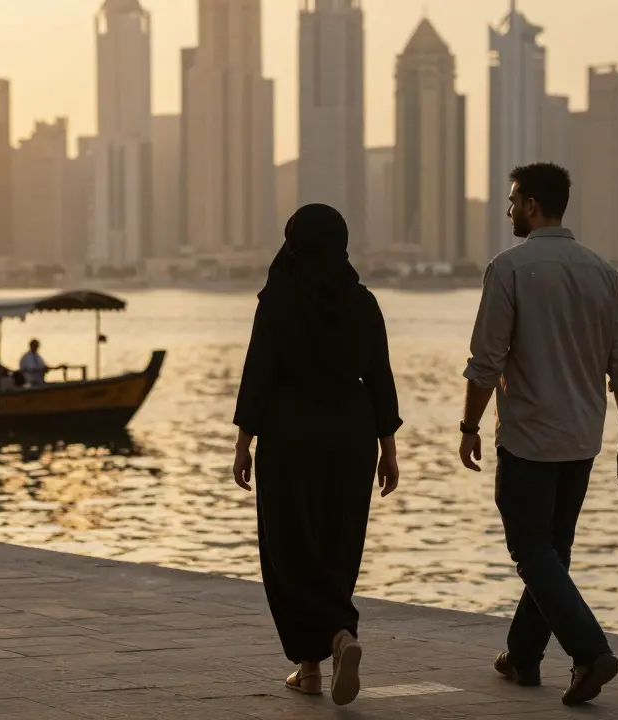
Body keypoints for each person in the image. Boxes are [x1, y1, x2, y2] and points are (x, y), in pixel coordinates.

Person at [459, 163, 618, 707]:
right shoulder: (602, 273)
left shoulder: (509, 269)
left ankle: (589, 651)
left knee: (531, 550)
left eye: (514, 199)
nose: (510, 208)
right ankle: (522, 657)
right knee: (552, 552)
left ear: (534, 205)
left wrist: (469, 425)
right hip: (583, 439)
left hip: (528, 439)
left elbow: (485, 363)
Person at [232, 203, 402, 706]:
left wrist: (244, 442)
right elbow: (380, 379)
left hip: (290, 433)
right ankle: (311, 671)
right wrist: (388, 449)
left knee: (289, 549)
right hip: (352, 434)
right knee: (337, 541)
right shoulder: (363, 303)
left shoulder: (278, 300)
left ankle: (335, 640)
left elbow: (258, 373)